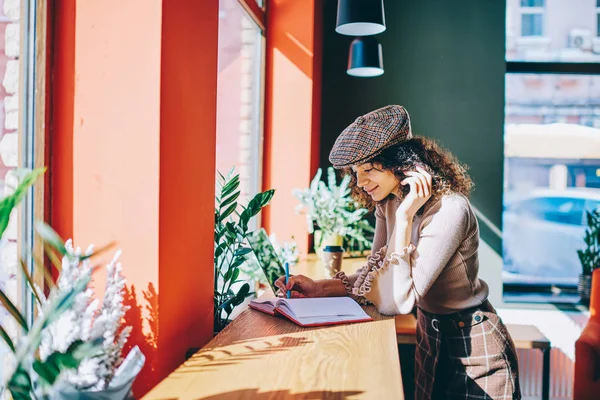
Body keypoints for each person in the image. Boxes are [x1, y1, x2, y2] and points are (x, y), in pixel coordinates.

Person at [275, 105, 521, 400]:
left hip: (476, 347)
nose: (361, 181)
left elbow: (397, 300)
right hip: (429, 340)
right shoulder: (389, 204)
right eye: (355, 172)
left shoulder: (449, 210)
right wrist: (319, 287)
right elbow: (374, 279)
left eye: (368, 169)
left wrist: (404, 219)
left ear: (402, 164)